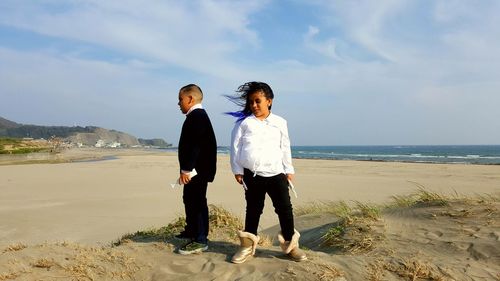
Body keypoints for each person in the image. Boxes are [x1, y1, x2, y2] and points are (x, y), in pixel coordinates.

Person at [226, 81, 307, 263]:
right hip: (252, 175)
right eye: (251, 102)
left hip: (277, 174)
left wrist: (289, 169)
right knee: (253, 210)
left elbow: (285, 147)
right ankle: (246, 247)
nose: (254, 105)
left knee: (285, 209)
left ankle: (291, 246)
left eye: (258, 101)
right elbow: (235, 148)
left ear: (269, 101)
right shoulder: (244, 123)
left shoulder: (280, 122)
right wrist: (237, 170)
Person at [176, 84, 217, 255]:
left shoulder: (198, 116)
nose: (178, 103)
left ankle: (201, 239)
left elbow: (196, 145)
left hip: (198, 169)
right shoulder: (194, 116)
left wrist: (186, 168)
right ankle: (192, 229)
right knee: (189, 198)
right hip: (194, 169)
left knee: (198, 201)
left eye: (180, 99)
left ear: (190, 99)